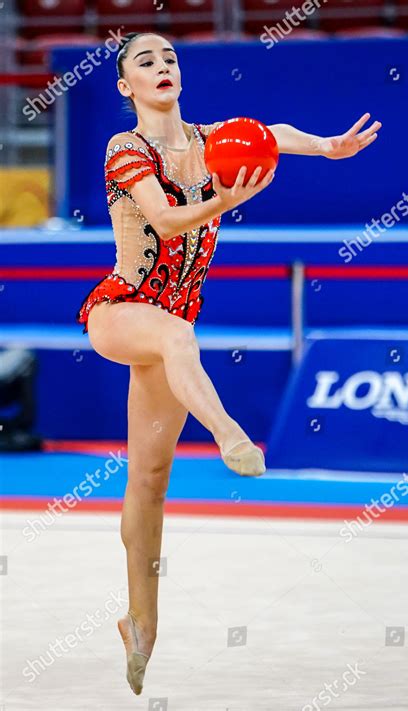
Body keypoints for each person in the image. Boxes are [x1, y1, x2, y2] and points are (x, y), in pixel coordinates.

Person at [75, 31, 381, 695]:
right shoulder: (125, 148)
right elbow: (165, 219)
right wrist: (223, 203)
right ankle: (230, 433)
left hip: (171, 320)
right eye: (145, 62)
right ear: (125, 86)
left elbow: (272, 131)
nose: (162, 67)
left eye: (170, 58)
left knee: (150, 477)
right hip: (121, 309)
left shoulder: (216, 139)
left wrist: (327, 147)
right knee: (181, 339)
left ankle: (141, 625)